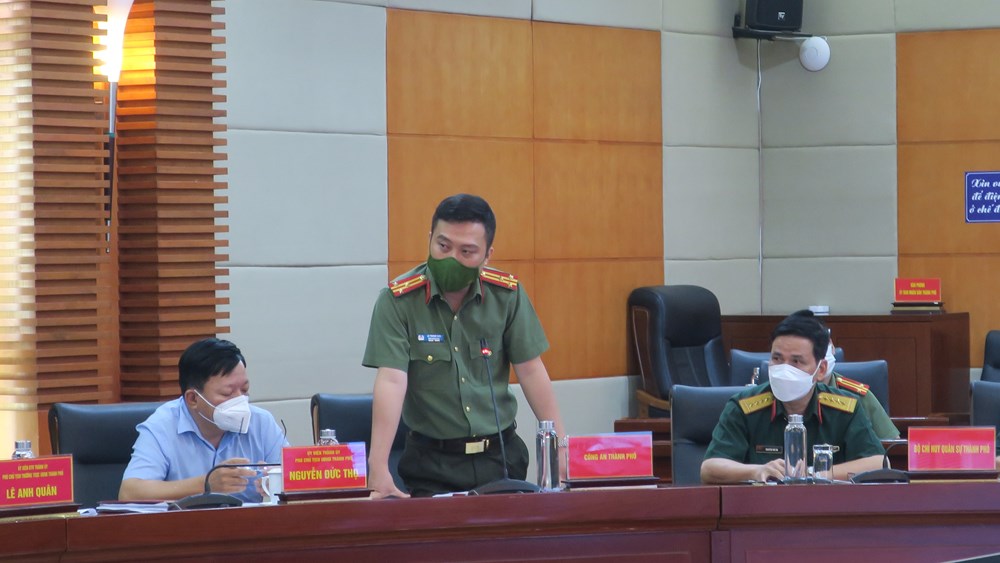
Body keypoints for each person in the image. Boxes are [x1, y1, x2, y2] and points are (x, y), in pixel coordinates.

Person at [362, 194, 566, 498]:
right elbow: (392, 380)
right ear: (430, 239)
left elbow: (531, 371)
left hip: (500, 458)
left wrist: (560, 448)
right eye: (443, 246)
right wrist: (378, 466)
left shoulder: (507, 296)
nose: (451, 259)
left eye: (466, 251)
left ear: (487, 255)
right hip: (431, 464)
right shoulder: (398, 301)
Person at [700, 313, 884, 484]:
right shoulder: (743, 407)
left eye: (796, 361)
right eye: (777, 359)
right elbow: (710, 468)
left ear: (820, 370)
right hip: (763, 504)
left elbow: (878, 463)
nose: (784, 369)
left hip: (827, 505)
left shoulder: (845, 409)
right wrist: (757, 471)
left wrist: (816, 473)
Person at [119, 338, 287, 502]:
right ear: (193, 399)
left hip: (248, 520)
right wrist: (205, 484)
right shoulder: (161, 426)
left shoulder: (261, 422)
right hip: (185, 520)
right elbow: (129, 493)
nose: (240, 400)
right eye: (227, 393)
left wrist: (280, 480)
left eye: (244, 390)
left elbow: (298, 477)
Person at [793, 310, 900, 440]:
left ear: (832, 347)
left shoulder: (857, 396)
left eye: (820, 345)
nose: (816, 354)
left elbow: (891, 444)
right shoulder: (779, 395)